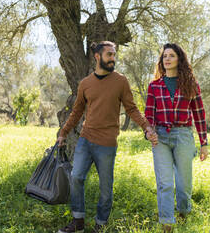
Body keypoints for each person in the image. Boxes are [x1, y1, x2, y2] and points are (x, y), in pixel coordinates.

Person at [57, 41, 158, 233]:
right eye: (109, 55)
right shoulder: (85, 84)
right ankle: (78, 222)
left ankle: (100, 225)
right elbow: (77, 111)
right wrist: (63, 133)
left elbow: (131, 108)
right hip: (85, 141)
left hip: (107, 144)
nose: (113, 58)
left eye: (114, 55)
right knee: (76, 177)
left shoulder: (120, 81)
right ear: (98, 57)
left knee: (106, 188)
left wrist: (146, 127)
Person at [144, 43, 209, 232]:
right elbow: (149, 114)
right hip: (161, 137)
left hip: (183, 136)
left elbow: (199, 114)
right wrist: (149, 132)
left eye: (171, 55)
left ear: (179, 59)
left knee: (183, 183)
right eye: (164, 56)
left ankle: (183, 211)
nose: (167, 59)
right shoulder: (154, 86)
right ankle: (167, 222)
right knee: (164, 182)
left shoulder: (190, 84)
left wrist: (203, 143)